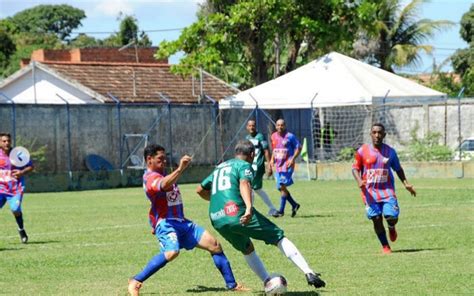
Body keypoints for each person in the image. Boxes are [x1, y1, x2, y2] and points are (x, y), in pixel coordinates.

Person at [196, 140, 326, 290]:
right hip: (236, 213)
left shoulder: (220, 167)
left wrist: (219, 200)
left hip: (217, 219)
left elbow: (200, 189)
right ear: (252, 154)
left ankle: (267, 282)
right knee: (278, 236)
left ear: (236, 153)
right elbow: (244, 183)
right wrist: (249, 208)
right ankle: (308, 272)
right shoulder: (245, 165)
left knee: (247, 248)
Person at [128, 144, 247, 295]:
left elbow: (157, 203)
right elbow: (163, 186)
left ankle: (232, 285)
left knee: (214, 245)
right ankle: (136, 281)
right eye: (160, 159)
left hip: (183, 223)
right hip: (167, 224)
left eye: (165, 158)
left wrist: (152, 221)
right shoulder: (150, 177)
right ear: (149, 159)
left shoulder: (164, 174)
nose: (164, 161)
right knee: (172, 252)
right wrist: (180, 169)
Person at [351, 123, 416, 254]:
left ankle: (391, 226)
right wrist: (359, 180)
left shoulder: (390, 152)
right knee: (376, 219)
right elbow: (355, 168)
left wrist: (406, 183)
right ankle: (385, 246)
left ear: (384, 135)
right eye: (374, 132)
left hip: (387, 191)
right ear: (370, 134)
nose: (377, 135)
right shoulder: (362, 151)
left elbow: (398, 169)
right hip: (369, 193)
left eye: (380, 133)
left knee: (391, 217)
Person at [0, 132, 34, 244]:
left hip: (15, 189)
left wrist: (22, 172)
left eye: (8, 141)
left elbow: (31, 166)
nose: (7, 143)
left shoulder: (17, 154)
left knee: (15, 210)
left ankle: (21, 229)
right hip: (1, 189)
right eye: (4, 141)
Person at [245, 119, 280, 217]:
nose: (252, 127)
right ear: (247, 127)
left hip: (258, 166)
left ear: (256, 127)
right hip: (250, 167)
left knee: (251, 187)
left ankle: (251, 210)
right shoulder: (247, 138)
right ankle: (271, 209)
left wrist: (269, 164)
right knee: (256, 189)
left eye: (253, 126)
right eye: (250, 126)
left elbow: (266, 151)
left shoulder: (260, 137)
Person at [270, 119, 301, 217]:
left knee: (282, 185)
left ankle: (281, 211)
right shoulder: (273, 136)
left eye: (282, 125)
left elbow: (298, 147)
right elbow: (274, 150)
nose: (280, 127)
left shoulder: (290, 136)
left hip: (287, 165)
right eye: (278, 125)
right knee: (280, 188)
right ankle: (294, 204)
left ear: (285, 126)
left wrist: (292, 159)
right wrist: (271, 160)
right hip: (278, 166)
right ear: (276, 126)